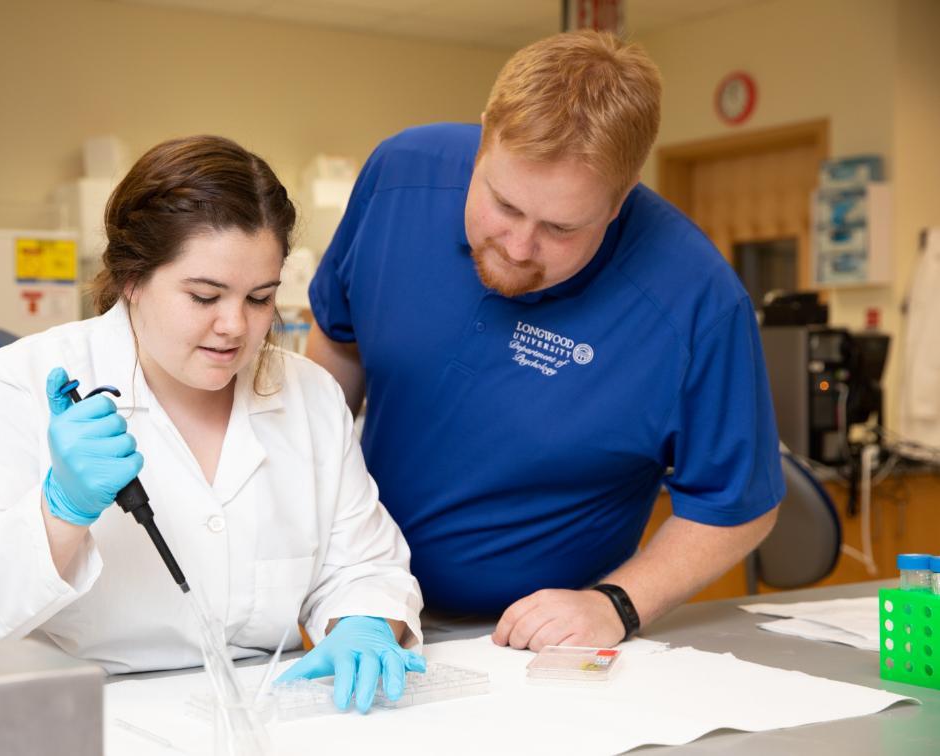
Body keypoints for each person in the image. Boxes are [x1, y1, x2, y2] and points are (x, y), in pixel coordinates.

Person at [0, 135, 425, 713]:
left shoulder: (309, 395)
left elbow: (363, 564)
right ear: (131, 278)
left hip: (257, 716)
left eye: (260, 298)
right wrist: (60, 512)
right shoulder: (22, 381)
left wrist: (365, 622)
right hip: (71, 720)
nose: (235, 326)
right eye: (205, 296)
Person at [306, 31, 784, 651]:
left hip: (534, 646)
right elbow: (338, 342)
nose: (518, 245)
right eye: (503, 204)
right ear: (485, 137)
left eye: (560, 227)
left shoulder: (696, 300)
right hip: (359, 605)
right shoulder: (400, 175)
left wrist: (615, 605)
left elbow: (740, 502)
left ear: (620, 198)